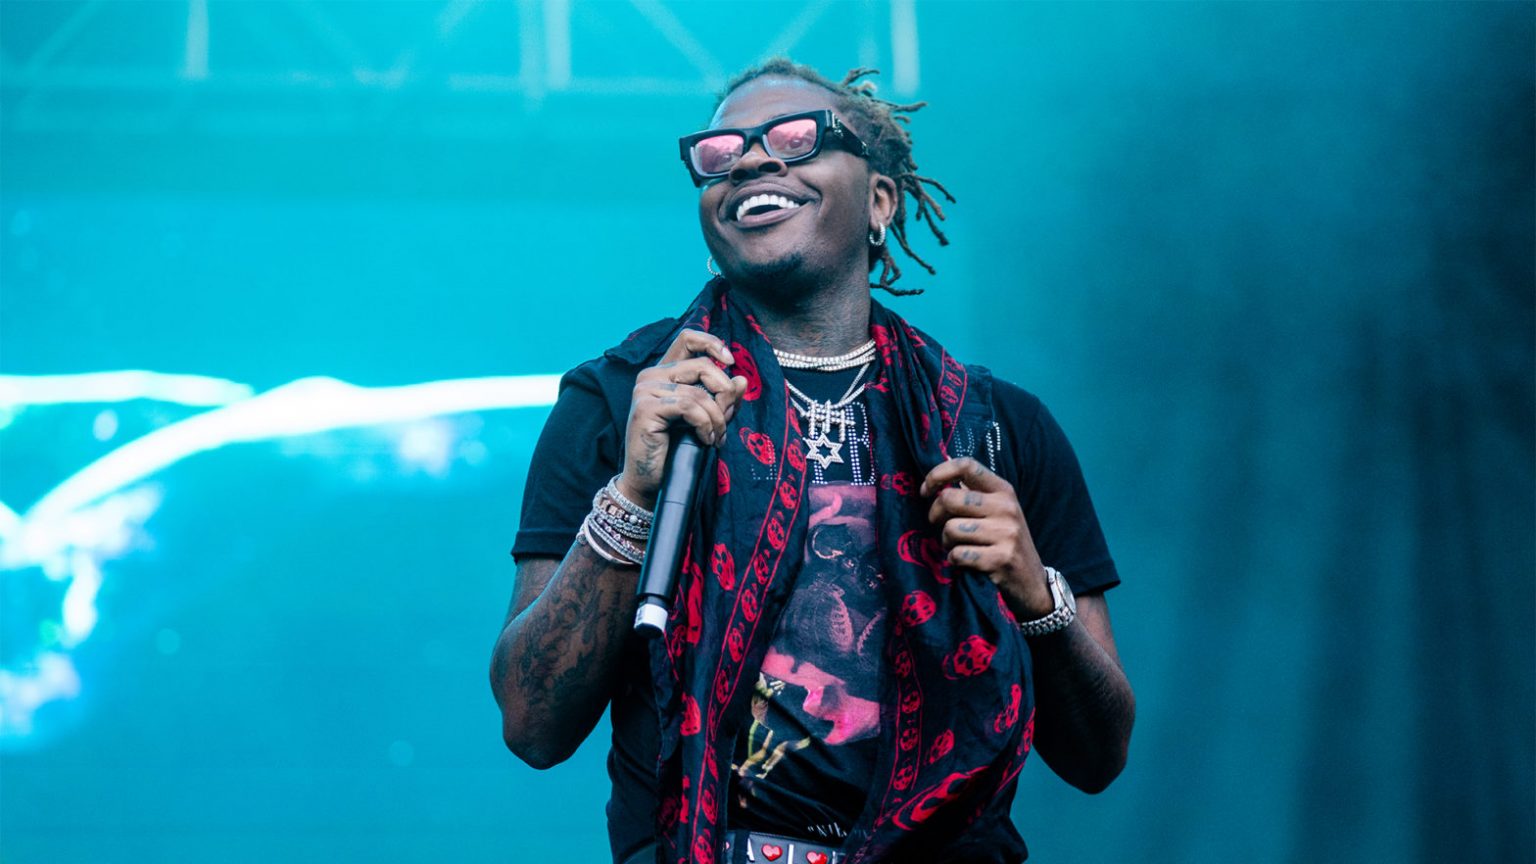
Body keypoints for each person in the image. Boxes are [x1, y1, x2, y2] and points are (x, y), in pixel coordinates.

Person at [490, 58, 1135, 864]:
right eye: (721, 154)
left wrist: (1038, 595)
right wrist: (632, 496)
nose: (751, 162)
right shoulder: (623, 401)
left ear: (879, 200)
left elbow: (1099, 756)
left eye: (796, 138)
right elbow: (533, 724)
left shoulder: (997, 428)